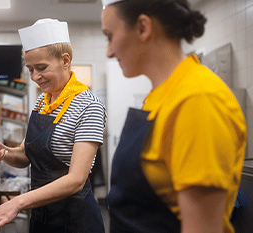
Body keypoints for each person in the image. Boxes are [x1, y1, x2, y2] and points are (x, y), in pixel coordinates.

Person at [100, 0, 247, 233]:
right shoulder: (160, 94)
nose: (108, 51)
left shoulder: (198, 100)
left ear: (143, 28)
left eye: (109, 36)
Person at [0, 18, 106, 233]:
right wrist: (5, 152)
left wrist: (17, 202)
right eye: (30, 69)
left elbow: (76, 180)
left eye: (42, 68)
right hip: (41, 213)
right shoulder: (43, 102)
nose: (35, 77)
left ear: (65, 60)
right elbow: (26, 155)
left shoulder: (88, 106)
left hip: (75, 218)